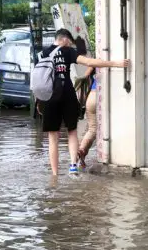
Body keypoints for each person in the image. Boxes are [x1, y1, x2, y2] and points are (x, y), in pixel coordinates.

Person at [40, 28, 129, 176]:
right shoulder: (67, 51)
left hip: (49, 96)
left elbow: (39, 77)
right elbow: (89, 62)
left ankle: (55, 175)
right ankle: (73, 166)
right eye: (69, 42)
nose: (69, 45)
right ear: (64, 39)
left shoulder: (43, 53)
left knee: (53, 137)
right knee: (72, 131)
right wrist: (115, 63)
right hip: (67, 94)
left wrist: (39, 101)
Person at [76, 66, 97, 168]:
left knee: (92, 129)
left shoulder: (96, 61)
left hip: (92, 97)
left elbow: (86, 75)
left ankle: (82, 152)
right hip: (104, 95)